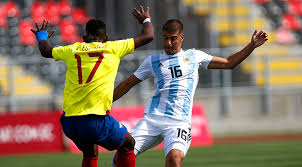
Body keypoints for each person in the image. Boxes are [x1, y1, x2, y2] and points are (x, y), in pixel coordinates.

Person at [112, 19, 268, 167]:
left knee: (174, 158)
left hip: (178, 123)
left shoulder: (194, 56)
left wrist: (252, 45)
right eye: (165, 38)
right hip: (152, 119)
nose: (168, 43)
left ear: (182, 37)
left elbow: (228, 63)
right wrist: (103, 103)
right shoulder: (152, 61)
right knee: (119, 157)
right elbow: (127, 84)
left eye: (173, 38)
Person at [31, 6, 154, 167]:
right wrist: (145, 19)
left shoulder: (72, 49)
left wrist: (42, 36)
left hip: (69, 123)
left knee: (90, 152)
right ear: (106, 38)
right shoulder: (113, 48)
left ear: (83, 37)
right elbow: (148, 35)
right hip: (94, 120)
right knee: (128, 144)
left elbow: (46, 51)